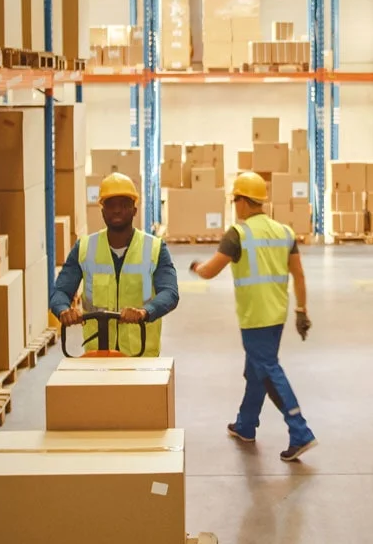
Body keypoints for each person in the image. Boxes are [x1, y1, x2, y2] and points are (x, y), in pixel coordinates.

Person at [189, 170, 316, 462]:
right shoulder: (284, 232)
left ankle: (300, 431)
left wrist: (195, 266)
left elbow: (210, 271)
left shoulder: (238, 233)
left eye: (236, 200)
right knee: (256, 371)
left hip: (254, 317)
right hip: (277, 315)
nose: (235, 206)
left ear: (244, 202)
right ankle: (246, 425)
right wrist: (301, 310)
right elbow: (299, 274)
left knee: (269, 370)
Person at [50, 172, 179, 356]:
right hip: (98, 356)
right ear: (102, 211)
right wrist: (64, 310)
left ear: (134, 210)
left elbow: (170, 293)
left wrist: (144, 312)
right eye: (110, 205)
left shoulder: (155, 248)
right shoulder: (85, 248)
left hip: (141, 357)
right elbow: (60, 291)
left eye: (124, 204)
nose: (117, 210)